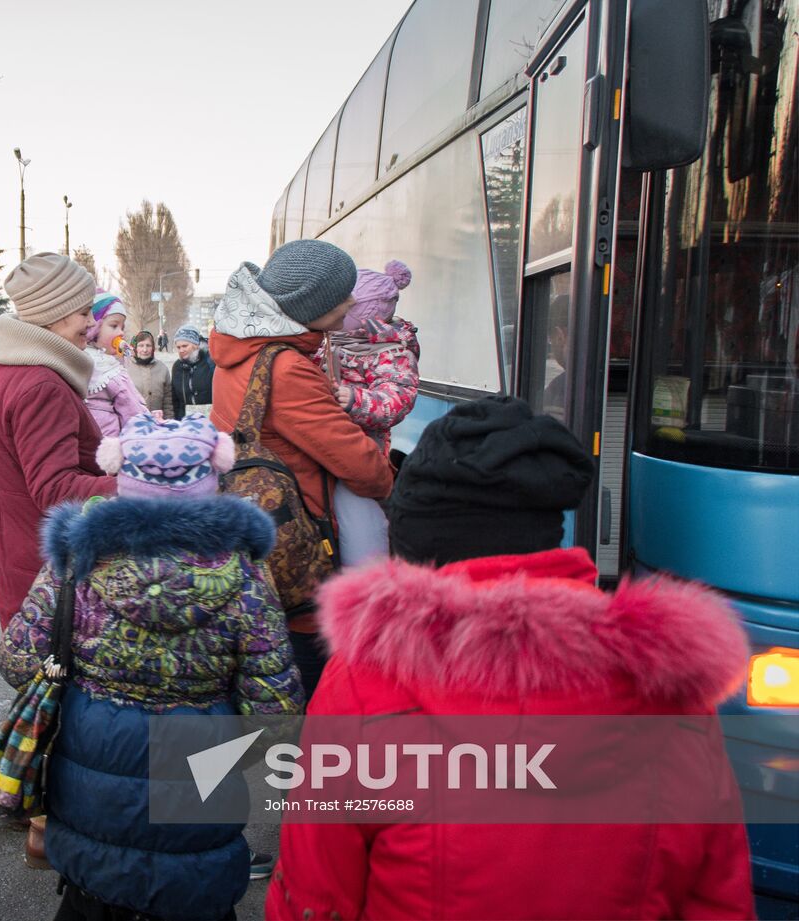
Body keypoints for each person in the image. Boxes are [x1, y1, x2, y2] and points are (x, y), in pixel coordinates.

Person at [267, 396, 754, 919]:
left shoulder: (365, 683)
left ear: (416, 542)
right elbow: (716, 896)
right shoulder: (668, 686)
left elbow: (314, 898)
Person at [0, 412, 303, 921]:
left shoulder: (76, 563)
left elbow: (17, 662)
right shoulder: (245, 575)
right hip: (198, 808)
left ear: (122, 472)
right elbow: (276, 717)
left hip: (90, 792)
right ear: (213, 475)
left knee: (93, 899)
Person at [209, 239, 394, 692]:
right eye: (340, 296)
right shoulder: (286, 368)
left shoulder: (237, 352)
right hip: (302, 552)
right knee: (303, 699)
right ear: (309, 306)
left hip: (259, 539)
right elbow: (363, 467)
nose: (350, 302)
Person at [0, 252, 117, 631]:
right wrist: (137, 486)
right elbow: (56, 488)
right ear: (55, 312)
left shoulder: (5, 369)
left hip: (22, 563)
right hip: (51, 578)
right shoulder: (41, 385)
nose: (91, 323)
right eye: (84, 312)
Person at [325, 259, 420, 565]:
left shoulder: (392, 352)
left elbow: (397, 400)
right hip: (324, 444)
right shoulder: (327, 341)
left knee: (360, 527)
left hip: (362, 449)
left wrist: (354, 399)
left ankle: (366, 584)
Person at [83, 290, 148, 436]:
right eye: (114, 326)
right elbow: (132, 410)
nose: (121, 333)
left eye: (122, 327)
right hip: (111, 445)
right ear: (94, 327)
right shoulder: (109, 370)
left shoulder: (78, 358)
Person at [127, 330, 175, 419]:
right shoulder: (126, 368)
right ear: (135, 348)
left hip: (158, 423)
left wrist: (169, 421)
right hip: (133, 423)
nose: (145, 350)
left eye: (148, 346)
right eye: (141, 345)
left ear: (153, 348)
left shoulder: (162, 369)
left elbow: (168, 401)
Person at [171, 324, 215, 419]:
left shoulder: (211, 362)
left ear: (195, 345)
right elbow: (175, 399)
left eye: (185, 346)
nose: (181, 350)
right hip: (186, 422)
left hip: (210, 421)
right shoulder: (177, 367)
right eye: (178, 347)